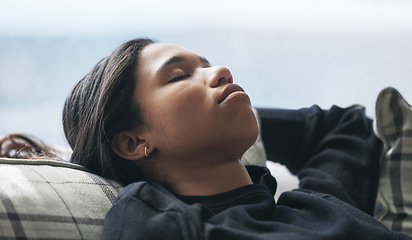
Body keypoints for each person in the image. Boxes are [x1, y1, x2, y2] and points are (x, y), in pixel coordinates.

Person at [2, 38, 411, 239]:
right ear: (132, 142)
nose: (222, 71)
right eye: (179, 76)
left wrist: (235, 116)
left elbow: (343, 126)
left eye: (209, 65)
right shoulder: (160, 220)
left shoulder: (321, 203)